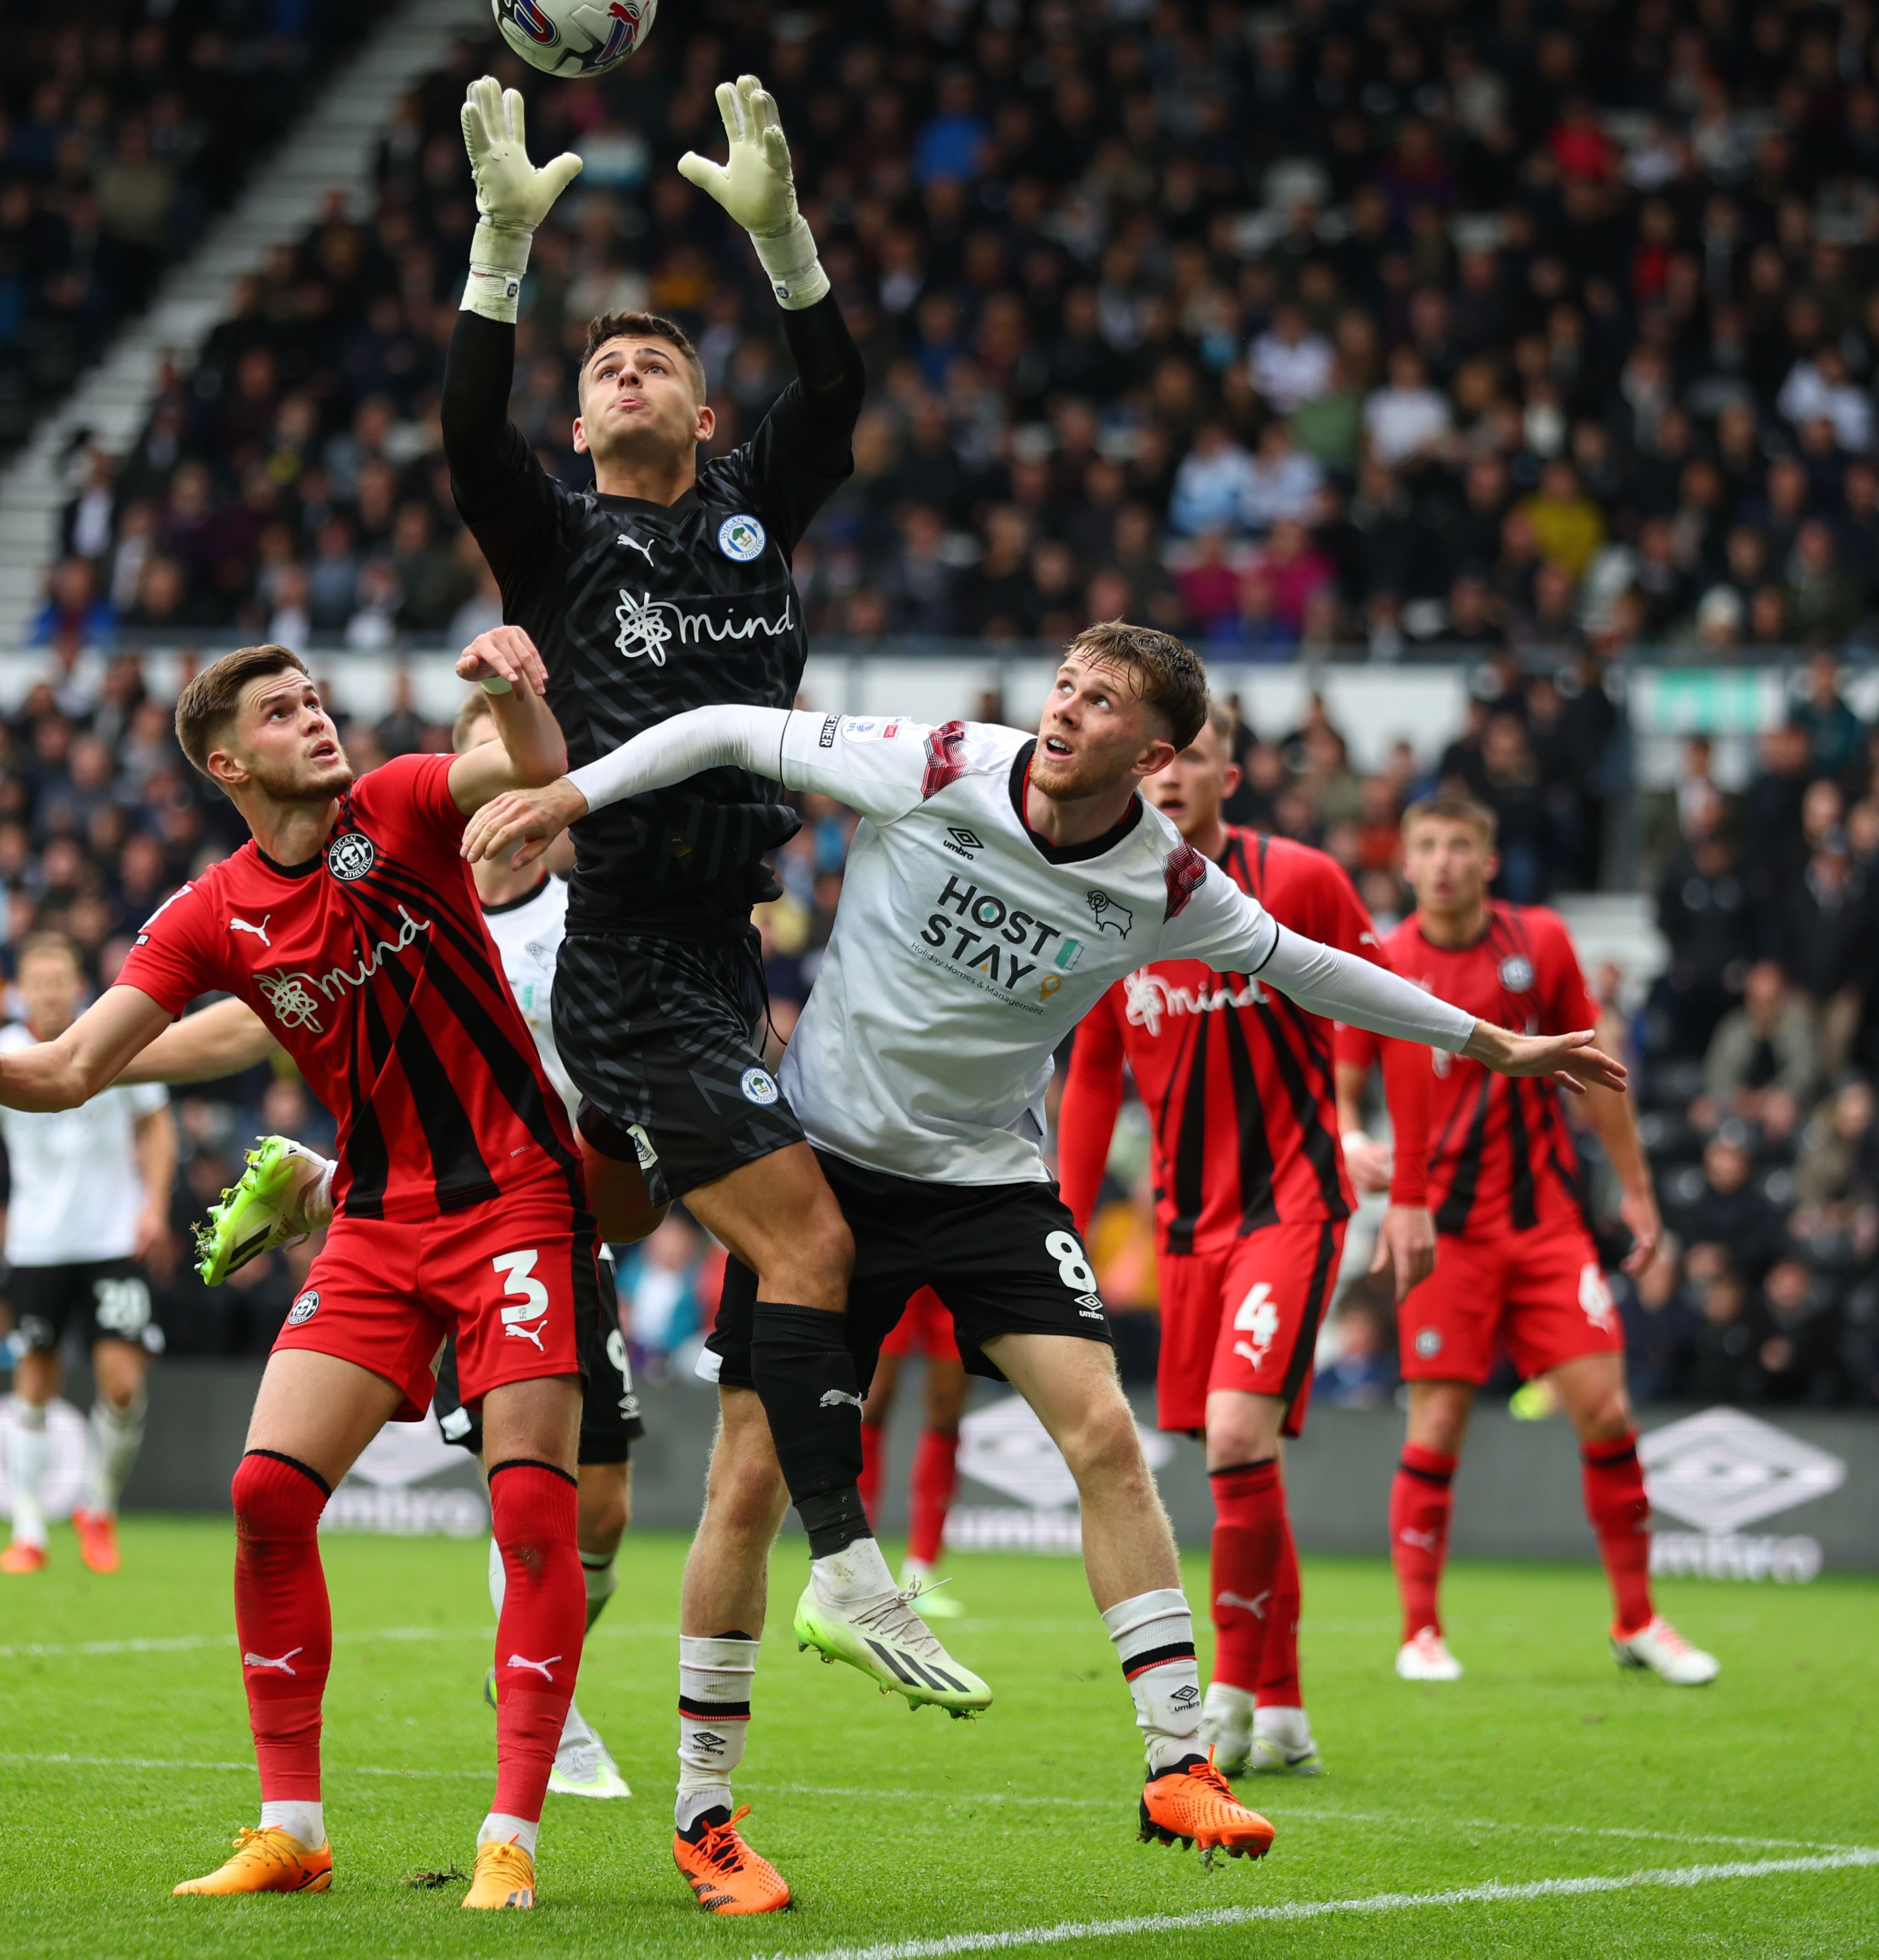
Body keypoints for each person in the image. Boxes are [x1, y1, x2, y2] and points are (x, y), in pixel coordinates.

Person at [464, 623, 1624, 1907]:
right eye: (1065, 683)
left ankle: (1177, 1762)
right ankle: (703, 1815)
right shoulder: (939, 761)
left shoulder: (1165, 881)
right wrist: (569, 796)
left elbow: (1312, 969)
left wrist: (1492, 1044)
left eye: (1103, 699)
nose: (1066, 708)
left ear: (1157, 753)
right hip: (821, 1173)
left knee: (1104, 1434)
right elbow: (728, 728)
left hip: (986, 1183)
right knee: (747, 1482)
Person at [0, 626, 587, 1911]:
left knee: (528, 1515)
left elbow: (534, 767)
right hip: (376, 1219)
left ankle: (509, 1835)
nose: (315, 719)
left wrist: (513, 690)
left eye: (314, 699)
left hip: (517, 1198)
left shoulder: (400, 804)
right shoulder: (209, 913)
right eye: (281, 712)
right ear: (226, 763)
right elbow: (74, 1067)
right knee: (266, 1493)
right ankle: (292, 1829)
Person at [443, 76, 924, 1748]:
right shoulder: (554, 537)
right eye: (601, 371)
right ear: (577, 429)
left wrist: (785, 240)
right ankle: (843, 1555)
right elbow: (465, 431)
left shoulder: (746, 511)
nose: (625, 374)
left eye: (654, 361)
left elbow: (838, 391)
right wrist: (499, 254)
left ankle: (437, 1244)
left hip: (730, 951)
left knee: (596, 1212)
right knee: (810, 1244)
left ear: (706, 416)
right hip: (627, 952)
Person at [109, 686, 651, 1802]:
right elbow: (264, 1013)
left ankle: (534, 1673)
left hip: (564, 1210)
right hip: (434, 1226)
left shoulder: (582, 916)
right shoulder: (385, 876)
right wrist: (104, 1058)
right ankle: (538, 1725)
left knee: (601, 1509)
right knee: (519, 1499)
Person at [1057, 699, 1380, 1781]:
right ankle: (1283, 1708)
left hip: (1293, 1203)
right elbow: (1093, 1072)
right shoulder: (1106, 900)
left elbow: (1385, 1003)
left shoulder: (1299, 880)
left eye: (1192, 756)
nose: (1170, 774)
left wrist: (1390, 1160)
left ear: (1228, 778)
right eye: (1155, 758)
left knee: (1239, 1436)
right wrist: (1061, 1218)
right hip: (1186, 1228)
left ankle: (1227, 1702)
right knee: (1237, 1460)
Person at [1335, 795, 1717, 1689]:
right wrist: (1350, 1139)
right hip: (1443, 1229)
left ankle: (1636, 1619)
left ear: (1488, 860)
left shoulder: (1538, 941)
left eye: (1458, 845)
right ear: (1405, 863)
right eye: (1427, 846)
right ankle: (1421, 1631)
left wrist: (1635, 1187)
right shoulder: (1383, 960)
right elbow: (1344, 1085)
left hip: (1546, 1223)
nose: (1441, 861)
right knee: (1438, 1421)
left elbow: (1597, 1069)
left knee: (1607, 1411)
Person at [0, 931, 177, 1577]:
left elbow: (156, 1122)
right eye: (40, 982)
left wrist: (154, 1205)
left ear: (78, 984)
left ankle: (98, 1505)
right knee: (34, 1382)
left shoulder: (108, 1034)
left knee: (123, 1384)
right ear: (21, 990)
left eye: (60, 981)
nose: (51, 993)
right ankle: (28, 1528)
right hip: (37, 1247)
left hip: (112, 1239)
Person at [853, 1290, 970, 1618]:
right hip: (898, 1268)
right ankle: (858, 1566)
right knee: (870, 1403)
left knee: (947, 1414)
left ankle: (921, 1573)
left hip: (954, 1274)